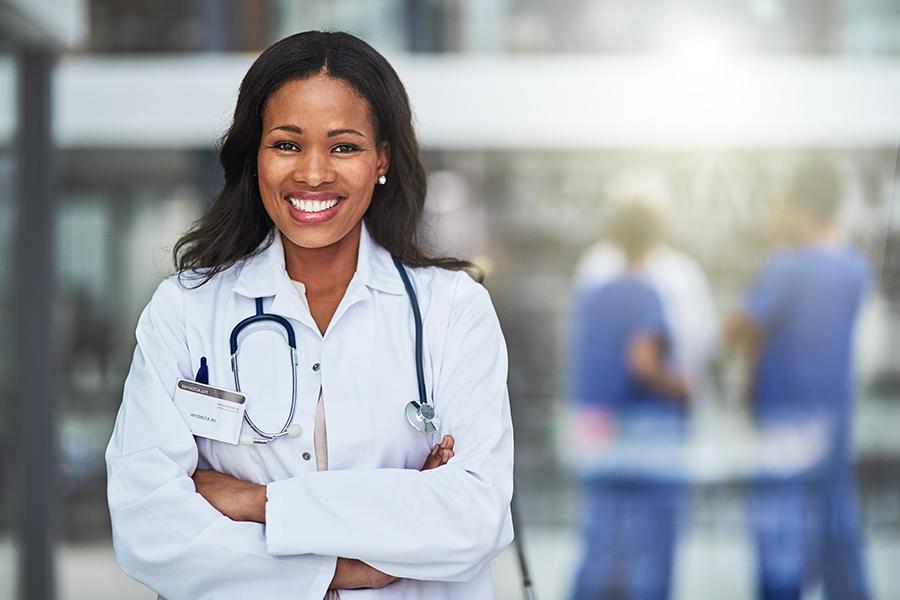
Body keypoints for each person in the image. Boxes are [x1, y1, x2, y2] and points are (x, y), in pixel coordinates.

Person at [105, 31, 514, 599]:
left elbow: (474, 516)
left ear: (382, 160)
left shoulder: (453, 311)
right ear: (256, 156)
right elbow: (147, 524)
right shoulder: (185, 310)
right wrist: (346, 566)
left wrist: (256, 503)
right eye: (287, 145)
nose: (314, 174)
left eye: (344, 146)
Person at [728, 156, 871, 600]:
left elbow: (735, 329)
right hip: (833, 430)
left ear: (800, 207)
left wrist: (774, 247)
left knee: (780, 555)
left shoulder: (787, 268)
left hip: (783, 436)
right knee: (840, 550)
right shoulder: (852, 266)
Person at [568, 198, 690, 600]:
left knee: (602, 540)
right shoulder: (646, 291)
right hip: (642, 434)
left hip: (597, 429)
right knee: (649, 549)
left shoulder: (595, 292)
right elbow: (642, 362)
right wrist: (683, 388)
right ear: (657, 237)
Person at [572, 171, 718, 402]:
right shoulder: (663, 283)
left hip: (596, 417)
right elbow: (646, 362)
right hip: (647, 420)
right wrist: (679, 386)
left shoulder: (595, 274)